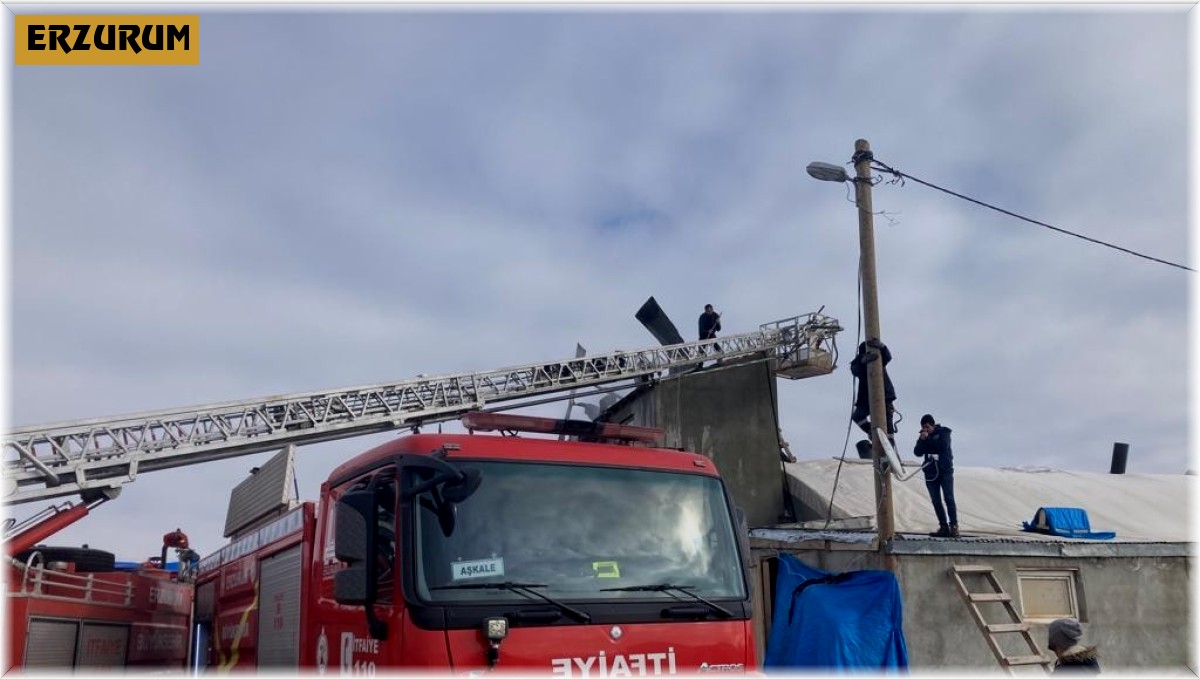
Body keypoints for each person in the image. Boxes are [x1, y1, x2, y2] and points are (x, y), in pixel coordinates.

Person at [914, 413, 957, 538]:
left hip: (945, 471)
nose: (925, 430)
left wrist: (927, 439)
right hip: (931, 473)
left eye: (927, 427)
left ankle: (954, 526)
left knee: (948, 498)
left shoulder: (944, 433)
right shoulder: (924, 437)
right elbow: (917, 452)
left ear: (933, 425)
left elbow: (942, 446)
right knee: (936, 501)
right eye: (923, 427)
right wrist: (921, 440)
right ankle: (943, 526)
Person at [849, 339, 896, 437]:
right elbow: (855, 369)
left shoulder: (879, 359)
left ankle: (889, 444)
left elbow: (888, 357)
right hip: (867, 398)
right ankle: (872, 431)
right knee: (857, 416)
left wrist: (882, 346)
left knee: (888, 426)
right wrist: (862, 361)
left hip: (885, 396)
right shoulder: (859, 363)